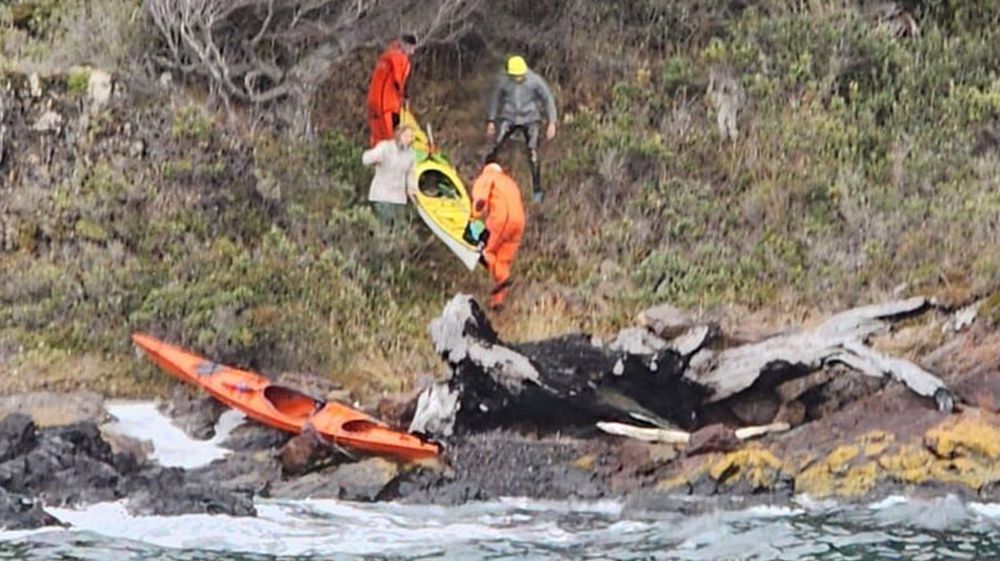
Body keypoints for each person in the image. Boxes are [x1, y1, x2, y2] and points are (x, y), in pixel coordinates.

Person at [484, 55, 557, 203]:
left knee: (533, 154)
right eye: (515, 76)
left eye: (520, 76)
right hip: (509, 117)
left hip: (530, 119)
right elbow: (495, 99)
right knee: (495, 146)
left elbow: (548, 98)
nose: (518, 79)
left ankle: (537, 191)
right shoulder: (504, 81)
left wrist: (552, 122)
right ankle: (485, 179)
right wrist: (491, 121)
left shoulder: (535, 81)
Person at [468, 163, 525, 310]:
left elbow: (480, 200)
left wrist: (473, 218)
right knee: (503, 261)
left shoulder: (488, 177)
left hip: (502, 219)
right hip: (519, 223)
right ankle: (497, 302)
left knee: (487, 251)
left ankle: (503, 279)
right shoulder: (510, 182)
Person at [361, 124, 418, 229]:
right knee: (382, 228)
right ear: (399, 135)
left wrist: (412, 190)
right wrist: (374, 157)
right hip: (382, 196)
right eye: (406, 136)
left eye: (411, 137)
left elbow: (411, 174)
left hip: (399, 198)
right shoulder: (386, 147)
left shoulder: (411, 155)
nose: (408, 139)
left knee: (399, 229)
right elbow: (366, 158)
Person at [367, 34, 417, 147]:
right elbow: (398, 81)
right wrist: (404, 97)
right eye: (411, 48)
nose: (412, 52)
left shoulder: (386, 56)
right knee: (390, 138)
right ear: (404, 45)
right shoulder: (400, 58)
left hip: (373, 102)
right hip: (386, 104)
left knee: (377, 138)